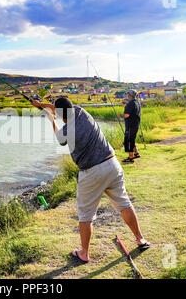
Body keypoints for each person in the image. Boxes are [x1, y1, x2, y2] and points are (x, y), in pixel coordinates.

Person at [31, 97, 150, 263]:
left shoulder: (67, 130)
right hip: (112, 164)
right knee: (124, 203)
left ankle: (84, 253)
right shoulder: (81, 111)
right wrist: (42, 105)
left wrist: (51, 118)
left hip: (91, 172)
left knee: (85, 214)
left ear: (59, 114)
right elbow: (62, 108)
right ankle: (140, 239)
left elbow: (59, 138)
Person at [118, 90, 141, 163]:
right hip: (135, 124)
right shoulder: (137, 102)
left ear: (130, 96)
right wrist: (127, 103)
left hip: (130, 125)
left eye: (128, 95)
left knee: (128, 141)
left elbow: (126, 115)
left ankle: (131, 157)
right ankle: (136, 153)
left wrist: (120, 115)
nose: (127, 96)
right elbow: (132, 107)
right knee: (132, 139)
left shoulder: (130, 104)